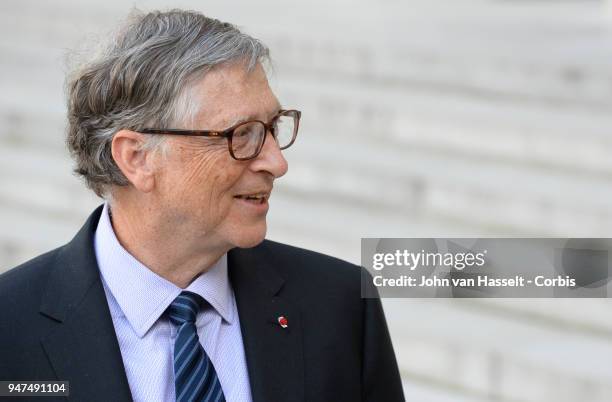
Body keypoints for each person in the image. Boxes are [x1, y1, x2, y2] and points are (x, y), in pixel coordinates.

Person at [0, 9, 404, 402]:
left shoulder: (339, 305)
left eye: (272, 128)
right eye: (240, 134)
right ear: (137, 158)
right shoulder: (9, 328)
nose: (277, 163)